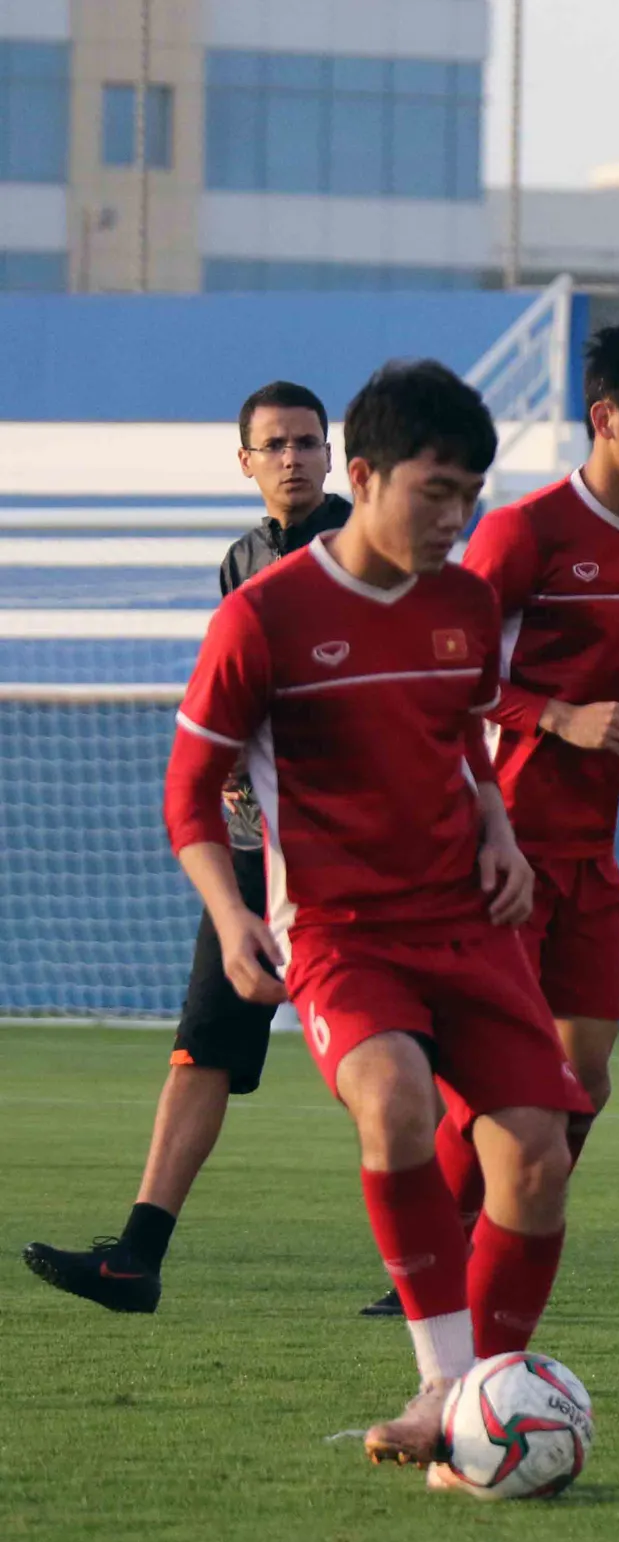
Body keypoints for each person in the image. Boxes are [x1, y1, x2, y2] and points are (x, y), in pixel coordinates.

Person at [161, 359, 592, 1475]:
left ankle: (482, 1408)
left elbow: (463, 737)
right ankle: (445, 1385)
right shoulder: (264, 617)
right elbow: (187, 792)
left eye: (471, 497)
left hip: (465, 918)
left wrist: (497, 828)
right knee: (394, 1098)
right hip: (339, 928)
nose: (455, 519)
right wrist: (233, 913)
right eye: (434, 493)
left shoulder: (464, 604)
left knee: (539, 1157)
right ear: (365, 477)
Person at [22, 381, 353, 1313]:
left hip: (354, 848)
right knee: (202, 1045)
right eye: (274, 444)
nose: (292, 457)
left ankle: (447, 1260)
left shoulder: (366, 548)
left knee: (396, 1052)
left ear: (332, 456)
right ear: (244, 461)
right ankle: (136, 1256)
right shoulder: (241, 560)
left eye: (307, 441)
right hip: (254, 848)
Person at [428, 324, 619, 1227]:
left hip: (590, 848)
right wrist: (557, 715)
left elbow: (602, 677)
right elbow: (448, 673)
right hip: (502, 843)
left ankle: (489, 1247)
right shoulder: (524, 531)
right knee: (503, 1077)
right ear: (606, 417)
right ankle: (433, 1268)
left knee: (583, 1081)